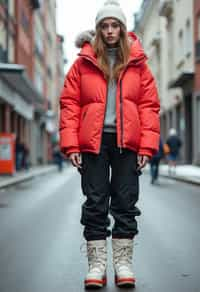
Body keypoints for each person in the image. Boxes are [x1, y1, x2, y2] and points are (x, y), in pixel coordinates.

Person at [59, 0, 160, 288]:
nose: (110, 30)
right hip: (93, 143)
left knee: (126, 203)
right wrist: (71, 145)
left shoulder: (139, 64)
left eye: (115, 25)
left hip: (128, 142)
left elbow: (149, 106)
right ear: (98, 29)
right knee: (95, 202)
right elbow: (69, 104)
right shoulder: (83, 63)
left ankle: (124, 263)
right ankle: (97, 266)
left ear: (123, 28)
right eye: (104, 26)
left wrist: (146, 147)